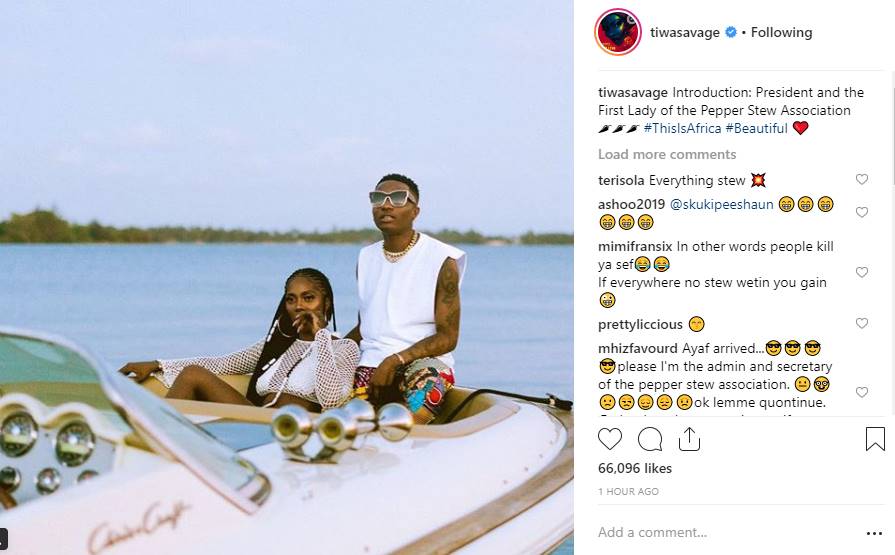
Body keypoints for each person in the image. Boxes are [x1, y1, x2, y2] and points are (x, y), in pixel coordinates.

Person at [119, 268, 359, 410]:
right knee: (193, 374)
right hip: (255, 419)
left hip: (294, 430)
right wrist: (158, 364)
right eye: (291, 299)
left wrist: (321, 336)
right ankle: (157, 440)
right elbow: (222, 364)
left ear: (326, 303)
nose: (298, 306)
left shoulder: (344, 348)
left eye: (308, 298)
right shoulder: (277, 344)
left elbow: (331, 400)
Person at [346, 174, 466, 423]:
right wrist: (331, 348)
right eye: (378, 198)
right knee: (342, 418)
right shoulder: (365, 258)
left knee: (415, 411)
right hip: (370, 363)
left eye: (398, 198)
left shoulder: (442, 259)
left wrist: (395, 361)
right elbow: (366, 325)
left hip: (423, 364)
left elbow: (448, 337)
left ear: (415, 211)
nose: (386, 205)